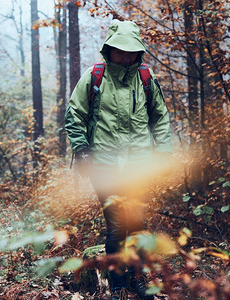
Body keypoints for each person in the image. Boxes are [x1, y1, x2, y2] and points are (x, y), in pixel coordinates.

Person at [65, 20, 173, 300]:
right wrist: (82, 149)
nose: (125, 56)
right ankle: (117, 285)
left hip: (138, 165)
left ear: (138, 53)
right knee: (116, 225)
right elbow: (73, 116)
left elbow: (160, 118)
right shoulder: (94, 77)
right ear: (109, 50)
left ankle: (138, 280)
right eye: (120, 51)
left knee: (137, 222)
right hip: (104, 164)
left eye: (130, 51)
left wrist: (164, 153)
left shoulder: (147, 79)